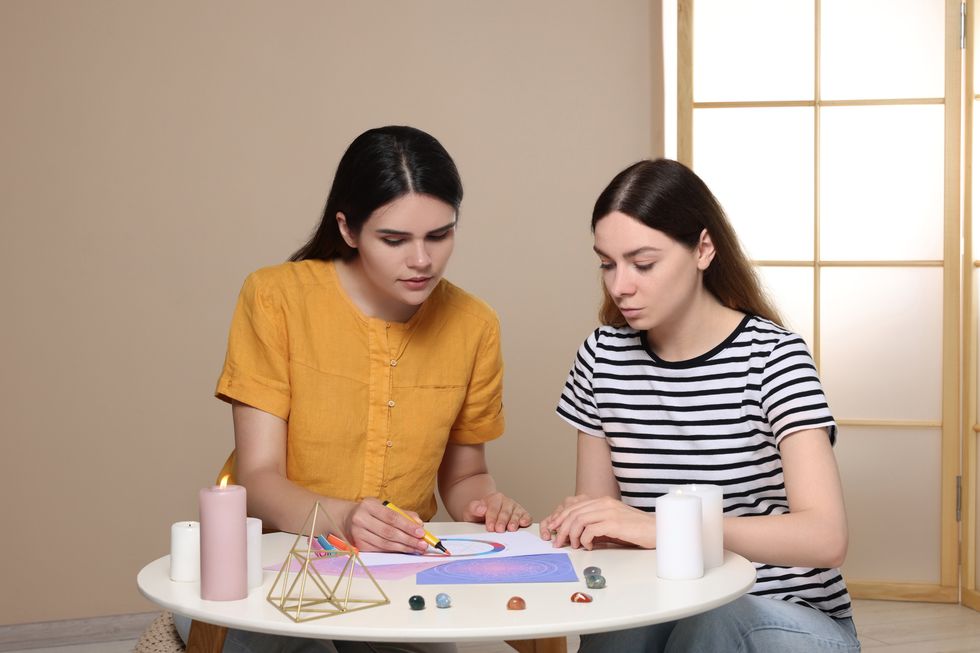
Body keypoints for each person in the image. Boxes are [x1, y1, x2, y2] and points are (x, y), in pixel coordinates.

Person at [184, 125, 531, 653]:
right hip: (273, 567)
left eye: (440, 235)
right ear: (347, 229)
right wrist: (342, 518)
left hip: (399, 574)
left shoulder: (474, 325)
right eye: (394, 240)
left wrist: (486, 506)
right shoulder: (275, 297)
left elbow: (467, 477)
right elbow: (256, 478)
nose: (422, 260)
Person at [539, 159, 859, 652]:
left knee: (712, 621)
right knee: (615, 632)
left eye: (643, 264)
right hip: (666, 602)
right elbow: (609, 528)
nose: (620, 284)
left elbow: (825, 537)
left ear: (703, 249)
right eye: (607, 263)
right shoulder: (602, 357)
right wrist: (588, 525)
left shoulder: (774, 358)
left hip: (784, 615)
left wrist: (666, 526)